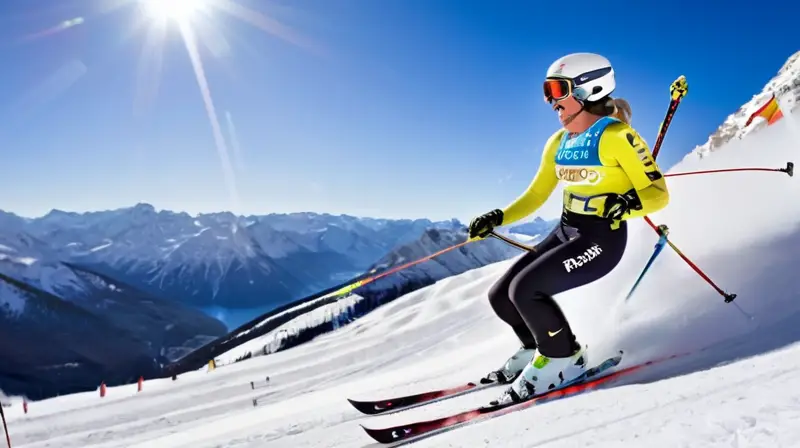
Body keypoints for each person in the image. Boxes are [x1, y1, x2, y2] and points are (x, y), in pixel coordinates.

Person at [467, 52, 669, 404]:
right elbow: (536, 194)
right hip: (566, 229)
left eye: (557, 89)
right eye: (547, 91)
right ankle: (538, 350)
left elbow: (657, 194)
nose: (550, 101)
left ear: (589, 89)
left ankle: (563, 359)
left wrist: (628, 204)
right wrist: (497, 217)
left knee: (526, 290)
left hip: (600, 238)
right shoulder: (558, 143)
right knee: (501, 295)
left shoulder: (618, 137)